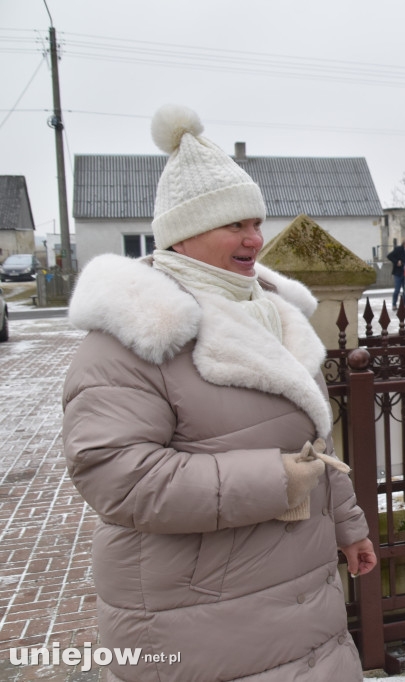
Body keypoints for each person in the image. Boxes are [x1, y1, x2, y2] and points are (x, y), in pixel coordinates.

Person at [62, 104, 377, 682]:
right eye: (235, 225)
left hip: (299, 598)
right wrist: (276, 481)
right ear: (184, 234)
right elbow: (116, 476)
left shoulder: (271, 312)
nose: (255, 238)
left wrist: (347, 526)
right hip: (197, 615)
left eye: (256, 222)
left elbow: (314, 444)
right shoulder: (137, 330)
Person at [387, 237, 405, 309]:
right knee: (397, 289)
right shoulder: (398, 249)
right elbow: (389, 256)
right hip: (398, 272)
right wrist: (397, 261)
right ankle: (394, 304)